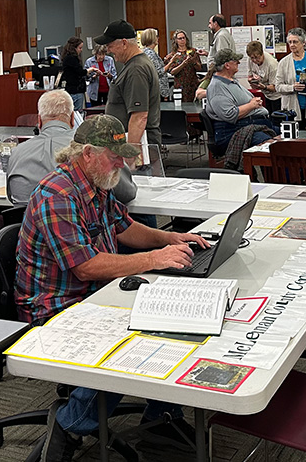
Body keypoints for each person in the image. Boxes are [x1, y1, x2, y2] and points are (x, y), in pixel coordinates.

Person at [15, 115, 208, 461]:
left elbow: (125, 227)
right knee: (131, 340)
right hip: (57, 306)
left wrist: (170, 238)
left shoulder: (97, 184)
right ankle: (69, 424)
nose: (122, 162)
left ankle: (162, 418)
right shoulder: (56, 195)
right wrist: (154, 259)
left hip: (96, 291)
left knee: (171, 317)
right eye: (114, 155)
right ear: (87, 153)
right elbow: (86, 265)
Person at [6, 90, 135, 205]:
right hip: (79, 225)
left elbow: (12, 197)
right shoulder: (88, 147)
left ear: (39, 121)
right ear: (73, 119)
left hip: (23, 227)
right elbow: (126, 193)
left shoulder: (17, 152)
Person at [95, 19, 161, 147]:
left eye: (110, 45)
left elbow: (139, 116)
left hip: (139, 143)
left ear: (124, 43)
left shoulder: (136, 69)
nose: (108, 50)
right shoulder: (133, 65)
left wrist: (130, 154)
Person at [206, 49, 278, 154]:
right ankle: (273, 169)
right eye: (235, 61)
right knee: (272, 147)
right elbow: (229, 115)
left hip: (253, 124)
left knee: (288, 138)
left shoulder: (231, 81)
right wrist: (251, 105)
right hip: (234, 130)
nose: (239, 63)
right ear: (227, 65)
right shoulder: (217, 87)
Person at [164, 29, 201, 102]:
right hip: (180, 85)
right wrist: (183, 64)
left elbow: (199, 68)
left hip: (192, 84)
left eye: (184, 38)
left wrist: (193, 61)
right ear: (176, 40)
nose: (182, 40)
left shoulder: (193, 52)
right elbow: (172, 72)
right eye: (180, 38)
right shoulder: (173, 55)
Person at [245, 40, 282, 112]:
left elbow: (275, 87)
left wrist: (264, 87)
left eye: (257, 57)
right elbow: (250, 76)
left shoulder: (272, 64)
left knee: (276, 118)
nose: (255, 60)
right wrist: (251, 81)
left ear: (262, 54)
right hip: (265, 95)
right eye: (252, 58)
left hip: (277, 96)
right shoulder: (250, 59)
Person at [140, 28, 170, 100]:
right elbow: (158, 72)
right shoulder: (151, 54)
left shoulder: (146, 52)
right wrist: (171, 62)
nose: (158, 38)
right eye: (156, 36)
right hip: (158, 89)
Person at [60, 36, 88, 114]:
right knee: (77, 114)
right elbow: (80, 72)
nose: (81, 50)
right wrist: (89, 70)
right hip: (76, 90)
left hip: (71, 89)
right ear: (74, 48)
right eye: (80, 48)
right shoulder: (72, 59)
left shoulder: (66, 58)